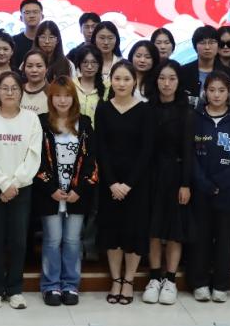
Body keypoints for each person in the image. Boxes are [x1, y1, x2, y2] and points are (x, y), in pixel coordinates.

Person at [0, 72, 43, 310]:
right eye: (4, 88)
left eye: (14, 88)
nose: (9, 92)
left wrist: (15, 183)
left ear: (21, 91)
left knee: (18, 239)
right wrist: (3, 184)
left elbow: (34, 154)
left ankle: (15, 289)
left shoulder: (31, 119)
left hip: (21, 188)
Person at [34, 77, 97, 307]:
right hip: (49, 194)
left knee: (72, 241)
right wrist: (51, 189)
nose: (62, 100)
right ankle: (50, 286)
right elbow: (36, 159)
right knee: (52, 240)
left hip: (77, 195)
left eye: (67, 95)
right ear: (50, 98)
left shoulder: (85, 123)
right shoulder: (41, 123)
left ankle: (70, 285)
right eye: (57, 96)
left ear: (74, 98)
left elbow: (91, 161)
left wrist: (79, 190)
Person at [95, 60, 154, 305]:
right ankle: (116, 279)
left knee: (133, 232)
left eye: (126, 79)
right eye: (117, 78)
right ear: (111, 81)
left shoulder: (145, 110)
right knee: (113, 232)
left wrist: (128, 184)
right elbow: (100, 148)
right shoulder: (103, 109)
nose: (121, 83)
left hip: (136, 184)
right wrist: (112, 183)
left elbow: (147, 150)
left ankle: (129, 280)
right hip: (110, 183)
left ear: (134, 82)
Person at [189, 71, 230, 304]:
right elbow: (189, 154)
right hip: (200, 191)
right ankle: (200, 283)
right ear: (205, 92)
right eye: (212, 90)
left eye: (221, 90)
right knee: (200, 239)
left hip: (229, 192)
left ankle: (222, 284)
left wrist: (220, 183)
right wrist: (204, 183)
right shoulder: (195, 118)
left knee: (225, 240)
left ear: (229, 93)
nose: (216, 95)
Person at [142, 60, 194, 306]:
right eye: (162, 78)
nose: (166, 83)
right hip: (150, 175)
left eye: (172, 78)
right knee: (153, 228)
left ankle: (170, 280)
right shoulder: (147, 109)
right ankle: (154, 278)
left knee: (175, 230)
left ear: (179, 81)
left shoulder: (186, 111)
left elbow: (188, 151)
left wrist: (185, 183)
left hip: (176, 175)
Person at [177, 25, 229, 109]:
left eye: (212, 42)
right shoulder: (183, 72)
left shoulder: (228, 73)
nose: (207, 47)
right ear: (195, 46)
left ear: (218, 45)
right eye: (202, 43)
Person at [72, 44, 105, 126]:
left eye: (94, 62)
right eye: (85, 62)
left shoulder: (107, 87)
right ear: (79, 64)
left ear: (99, 64)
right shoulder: (71, 85)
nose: (89, 67)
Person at [10, 0, 42, 69]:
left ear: (42, 16)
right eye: (27, 13)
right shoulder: (13, 41)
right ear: (21, 18)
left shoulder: (47, 42)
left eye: (35, 12)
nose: (32, 16)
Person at [19, 49, 50, 115]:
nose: (34, 70)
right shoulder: (17, 90)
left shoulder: (52, 92)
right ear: (24, 68)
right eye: (29, 66)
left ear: (46, 68)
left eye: (39, 66)